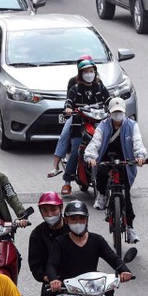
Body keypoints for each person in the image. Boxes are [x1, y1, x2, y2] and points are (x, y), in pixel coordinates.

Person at [84, 96, 148, 244]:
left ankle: (130, 228)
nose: (117, 115)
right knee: (100, 173)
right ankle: (101, 195)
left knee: (126, 196)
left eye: (120, 112)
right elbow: (95, 143)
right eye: (114, 112)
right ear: (109, 112)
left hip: (125, 161)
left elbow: (137, 142)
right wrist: (91, 157)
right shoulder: (103, 126)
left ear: (124, 112)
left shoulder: (132, 125)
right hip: (106, 158)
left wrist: (139, 156)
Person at [53, 56, 110, 196]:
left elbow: (108, 100)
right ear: (80, 73)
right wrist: (68, 109)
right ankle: (67, 182)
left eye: (91, 70)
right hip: (80, 125)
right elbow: (69, 102)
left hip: (99, 124)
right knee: (76, 151)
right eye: (86, 71)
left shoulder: (100, 87)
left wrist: (114, 106)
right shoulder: (75, 88)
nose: (89, 73)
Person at [28, 191, 68, 296]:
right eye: (45, 211)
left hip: (79, 280)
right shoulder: (37, 234)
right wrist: (51, 280)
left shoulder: (73, 227)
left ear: (61, 208)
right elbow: (36, 266)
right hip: (53, 281)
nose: (50, 214)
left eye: (53, 210)